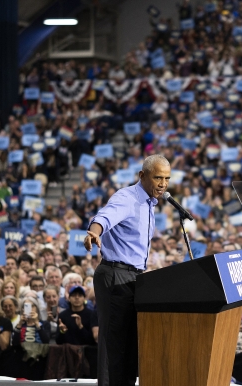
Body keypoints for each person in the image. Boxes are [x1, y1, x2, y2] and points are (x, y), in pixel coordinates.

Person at [85, 154, 171, 386]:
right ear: (142, 176)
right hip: (115, 275)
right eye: (158, 178)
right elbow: (104, 217)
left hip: (134, 278)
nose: (163, 184)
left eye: (167, 178)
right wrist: (95, 231)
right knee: (113, 344)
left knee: (130, 344)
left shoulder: (149, 204)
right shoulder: (127, 198)